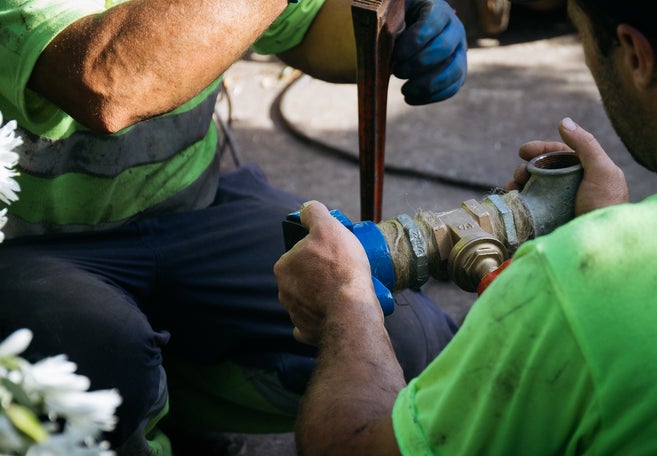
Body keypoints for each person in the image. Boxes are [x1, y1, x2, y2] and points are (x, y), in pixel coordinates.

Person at [274, 0, 657, 453]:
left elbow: (349, 446)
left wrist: (346, 302)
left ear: (636, 56)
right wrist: (609, 233)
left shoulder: (577, 287)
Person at [0, 0, 467, 453]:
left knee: (403, 340)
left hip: (189, 210)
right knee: (97, 369)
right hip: (30, 249)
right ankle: (138, 399)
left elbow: (301, 25)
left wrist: (398, 24)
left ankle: (173, 396)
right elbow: (108, 80)